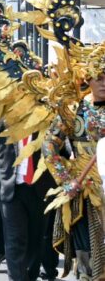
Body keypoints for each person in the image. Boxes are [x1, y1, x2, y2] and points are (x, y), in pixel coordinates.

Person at [41, 67, 105, 280]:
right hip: (85, 193)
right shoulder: (74, 109)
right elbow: (49, 145)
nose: (103, 83)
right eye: (99, 78)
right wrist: (66, 179)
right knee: (86, 255)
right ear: (88, 79)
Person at [0, 122, 57, 281]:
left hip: (41, 189)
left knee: (35, 245)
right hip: (11, 189)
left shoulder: (48, 114)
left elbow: (62, 148)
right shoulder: (3, 115)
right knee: (14, 244)